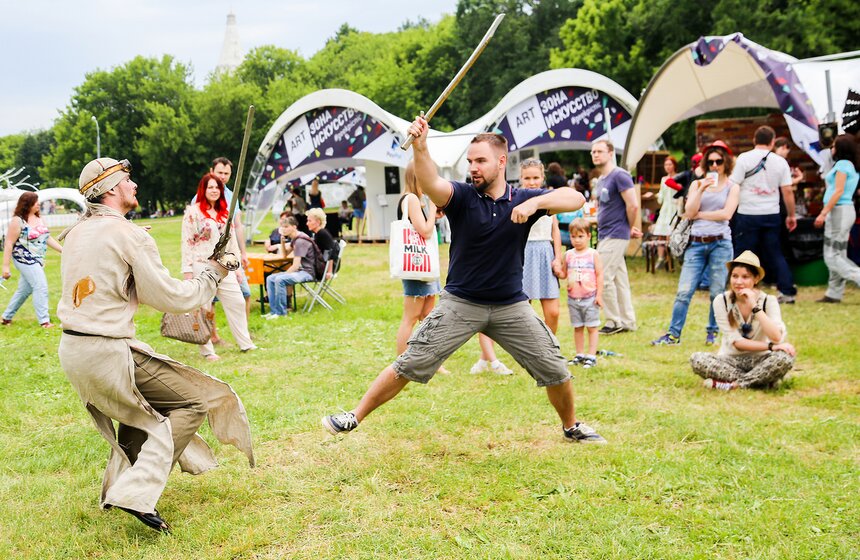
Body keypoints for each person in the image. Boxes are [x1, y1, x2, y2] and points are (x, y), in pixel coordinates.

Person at [322, 116, 606, 444]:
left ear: (501, 162)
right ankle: (353, 417)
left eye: (481, 161)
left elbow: (577, 200)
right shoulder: (461, 197)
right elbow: (431, 182)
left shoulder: (522, 200)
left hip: (511, 305)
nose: (474, 167)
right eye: (470, 161)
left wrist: (536, 202)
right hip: (461, 303)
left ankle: (571, 426)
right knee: (410, 362)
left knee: (555, 368)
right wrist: (421, 146)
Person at [57, 157, 254, 533]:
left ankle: (123, 488)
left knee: (143, 406)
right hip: (105, 353)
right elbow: (176, 298)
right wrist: (216, 270)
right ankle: (136, 492)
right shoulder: (128, 235)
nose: (134, 185)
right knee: (195, 400)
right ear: (112, 189)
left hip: (75, 352)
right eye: (127, 180)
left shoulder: (78, 232)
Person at [651, 141, 740, 346]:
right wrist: (701, 189)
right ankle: (673, 335)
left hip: (721, 243)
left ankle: (713, 332)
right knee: (684, 291)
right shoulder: (697, 184)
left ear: (726, 162)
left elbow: (726, 214)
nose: (715, 166)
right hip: (696, 244)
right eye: (710, 162)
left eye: (718, 161)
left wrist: (701, 214)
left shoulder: (732, 186)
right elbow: (689, 212)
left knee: (717, 292)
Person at [690, 251, 796, 390]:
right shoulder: (721, 301)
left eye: (745, 277)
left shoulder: (768, 301)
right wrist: (771, 347)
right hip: (730, 359)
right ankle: (762, 381)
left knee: (784, 358)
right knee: (697, 359)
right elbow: (737, 343)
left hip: (761, 359)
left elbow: (776, 337)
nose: (738, 282)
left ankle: (735, 385)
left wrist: (755, 307)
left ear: (756, 279)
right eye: (735, 276)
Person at [182, 174, 257, 360]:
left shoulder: (225, 212)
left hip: (224, 266)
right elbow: (187, 242)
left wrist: (237, 268)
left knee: (237, 302)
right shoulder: (193, 212)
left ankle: (245, 343)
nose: (214, 190)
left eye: (217, 187)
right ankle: (207, 350)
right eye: (210, 187)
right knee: (204, 308)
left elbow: (231, 242)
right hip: (202, 265)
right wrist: (188, 271)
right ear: (203, 190)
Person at [729, 126, 798, 304]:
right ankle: (787, 290)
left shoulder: (743, 158)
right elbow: (788, 191)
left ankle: (739, 288)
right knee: (775, 252)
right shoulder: (780, 162)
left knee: (744, 252)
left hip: (747, 212)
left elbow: (733, 185)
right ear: (773, 142)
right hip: (771, 213)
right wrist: (791, 215)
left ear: (754, 140)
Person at [394, 161, 444, 359]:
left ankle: (428, 359)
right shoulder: (411, 199)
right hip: (416, 265)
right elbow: (425, 231)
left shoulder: (413, 199)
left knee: (427, 317)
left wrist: (433, 214)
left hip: (423, 265)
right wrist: (432, 209)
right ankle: (403, 362)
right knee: (411, 317)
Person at [592, 139, 641, 334]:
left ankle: (614, 322)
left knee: (603, 278)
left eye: (600, 151)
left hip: (615, 234)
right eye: (593, 152)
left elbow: (633, 205)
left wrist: (628, 228)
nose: (596, 154)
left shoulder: (620, 175)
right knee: (620, 281)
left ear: (610, 153)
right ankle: (628, 321)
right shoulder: (602, 179)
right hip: (606, 233)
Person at [2, 191, 63, 327]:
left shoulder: (39, 218)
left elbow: (47, 237)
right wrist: (5, 267)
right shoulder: (18, 221)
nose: (38, 204)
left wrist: (63, 251)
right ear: (27, 204)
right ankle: (44, 321)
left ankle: (6, 318)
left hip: (37, 259)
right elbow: (9, 243)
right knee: (40, 286)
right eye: (35, 202)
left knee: (24, 290)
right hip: (23, 259)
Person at [814, 134, 860, 303]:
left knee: (832, 255)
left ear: (840, 149)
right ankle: (834, 293)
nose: (831, 149)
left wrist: (823, 212)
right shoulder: (851, 165)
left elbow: (838, 191)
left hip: (838, 212)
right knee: (838, 252)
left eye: (833, 146)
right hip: (844, 211)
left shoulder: (842, 165)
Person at [519, 158, 563, 333]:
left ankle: (549, 347)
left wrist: (558, 258)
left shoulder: (549, 197)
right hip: (523, 252)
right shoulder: (517, 198)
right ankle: (526, 347)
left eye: (535, 178)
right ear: (521, 178)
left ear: (542, 177)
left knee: (553, 312)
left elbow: (555, 230)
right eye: (527, 178)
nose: (531, 182)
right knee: (522, 310)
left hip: (546, 253)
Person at [559, 218, 603, 368]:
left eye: (580, 236)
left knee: (592, 327)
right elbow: (563, 274)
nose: (577, 240)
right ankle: (579, 354)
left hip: (590, 297)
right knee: (577, 327)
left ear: (589, 236)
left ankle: (591, 355)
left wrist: (599, 295)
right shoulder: (569, 255)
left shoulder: (593, 254)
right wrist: (556, 268)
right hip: (573, 298)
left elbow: (599, 274)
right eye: (573, 237)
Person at [264, 216, 317, 319]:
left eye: (286, 226)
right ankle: (274, 311)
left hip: (307, 272)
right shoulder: (295, 238)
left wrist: (282, 275)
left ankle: (281, 313)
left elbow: (295, 266)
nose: (284, 229)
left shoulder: (300, 240)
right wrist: (282, 242)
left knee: (279, 279)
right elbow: (285, 255)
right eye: (282, 227)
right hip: (301, 271)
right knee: (270, 278)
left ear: (294, 227)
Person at [650, 156, 682, 270]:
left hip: (675, 208)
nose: (668, 167)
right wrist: (656, 196)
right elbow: (661, 196)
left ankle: (671, 258)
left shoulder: (679, 177)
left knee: (670, 235)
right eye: (666, 165)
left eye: (670, 164)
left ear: (674, 165)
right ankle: (660, 258)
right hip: (665, 209)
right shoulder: (663, 179)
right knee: (660, 235)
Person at [306, 207, 337, 278]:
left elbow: (329, 252)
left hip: (324, 269)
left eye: (309, 221)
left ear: (318, 222)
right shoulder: (318, 234)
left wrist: (329, 271)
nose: (307, 223)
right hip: (322, 266)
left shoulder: (322, 234)